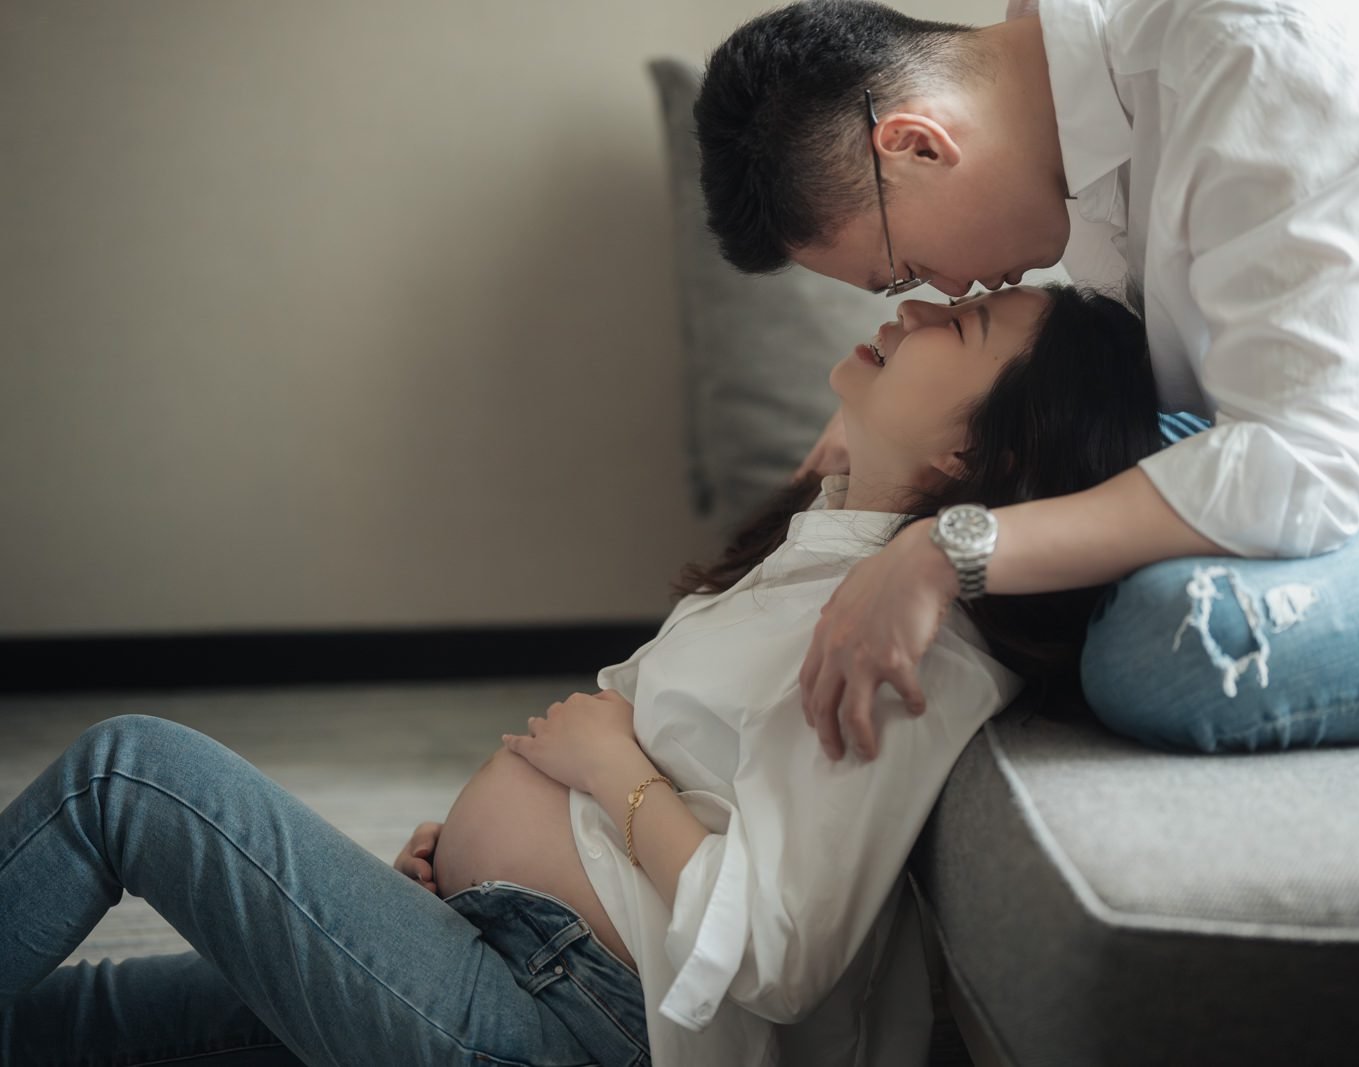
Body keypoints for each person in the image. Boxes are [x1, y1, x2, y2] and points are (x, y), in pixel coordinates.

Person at [0, 284, 1172, 1066]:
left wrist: (612, 775)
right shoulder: (830, 564)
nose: (914, 303)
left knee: (134, 778)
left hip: (566, 1026)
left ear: (975, 453)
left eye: (958, 324)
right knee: (74, 1022)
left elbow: (780, 951)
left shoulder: (912, 651)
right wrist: (469, 862)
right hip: (491, 944)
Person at [693, 0, 1359, 759]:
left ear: (919, 145)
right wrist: (891, 415)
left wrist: (947, 549)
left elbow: (1300, 469)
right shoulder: (1078, 111)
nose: (949, 288)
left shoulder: (1250, 60)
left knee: (1171, 644)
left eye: (904, 269)